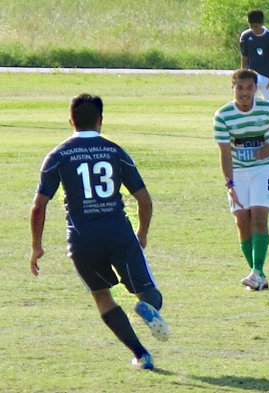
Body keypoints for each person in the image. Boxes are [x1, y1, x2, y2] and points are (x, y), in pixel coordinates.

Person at [29, 93, 170, 369]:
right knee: (148, 291)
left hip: (82, 238)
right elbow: (145, 200)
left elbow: (38, 206)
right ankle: (147, 308)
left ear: (70, 120)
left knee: (102, 295)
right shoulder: (115, 151)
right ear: (101, 120)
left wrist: (36, 246)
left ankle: (141, 354)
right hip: (118, 230)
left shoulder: (58, 155)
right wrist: (142, 232)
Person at [213, 69, 269, 291]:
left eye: (249, 88)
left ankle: (257, 271)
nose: (245, 93)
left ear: (255, 90)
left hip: (264, 169)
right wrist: (229, 183)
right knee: (241, 220)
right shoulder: (222, 116)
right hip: (238, 172)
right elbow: (224, 153)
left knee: (259, 216)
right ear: (232, 89)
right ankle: (257, 274)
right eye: (240, 88)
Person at [239, 9, 269, 103]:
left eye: (255, 26)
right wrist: (242, 76)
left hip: (267, 76)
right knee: (248, 102)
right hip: (251, 75)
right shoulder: (245, 36)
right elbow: (244, 57)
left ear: (262, 23)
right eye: (251, 26)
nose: (253, 29)